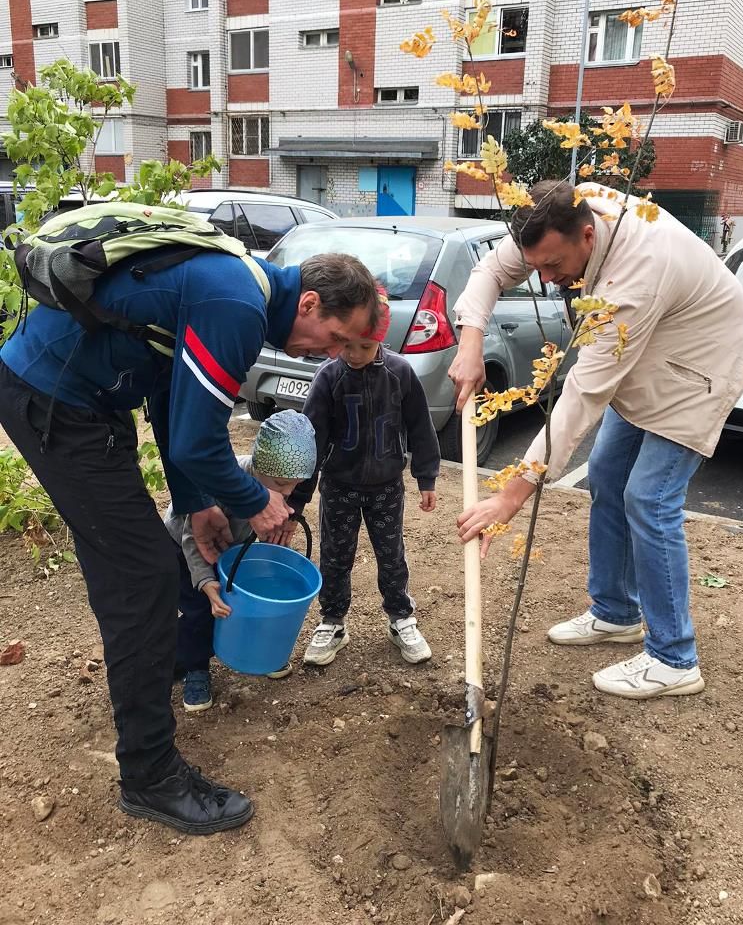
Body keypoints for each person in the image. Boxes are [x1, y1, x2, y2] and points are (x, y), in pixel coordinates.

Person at [0, 247, 380, 833]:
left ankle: (143, 703)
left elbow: (170, 398)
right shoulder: (237, 306)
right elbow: (197, 444)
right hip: (55, 398)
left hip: (86, 401)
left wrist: (198, 502)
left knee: (131, 568)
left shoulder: (238, 288)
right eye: (334, 337)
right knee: (145, 577)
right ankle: (149, 776)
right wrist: (259, 502)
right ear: (308, 302)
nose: (331, 355)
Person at [450, 180, 743, 700]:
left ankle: (674, 657)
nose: (546, 280)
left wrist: (511, 494)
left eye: (553, 266)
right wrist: (472, 339)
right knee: (608, 478)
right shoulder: (562, 211)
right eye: (538, 265)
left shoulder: (635, 275)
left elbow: (583, 395)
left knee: (649, 498)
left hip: (700, 365)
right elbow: (494, 269)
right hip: (650, 355)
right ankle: (615, 612)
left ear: (587, 237)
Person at [295, 288, 440, 667]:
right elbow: (311, 439)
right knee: (335, 557)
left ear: (380, 338)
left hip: (386, 488)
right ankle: (333, 622)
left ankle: (400, 618)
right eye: (347, 346)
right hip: (340, 486)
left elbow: (421, 428)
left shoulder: (401, 373)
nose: (354, 355)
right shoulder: (328, 378)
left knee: (391, 556)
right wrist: (299, 497)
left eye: (364, 346)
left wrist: (426, 477)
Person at [166, 409, 317, 711]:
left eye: (295, 486)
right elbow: (191, 538)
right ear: (258, 465)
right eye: (280, 484)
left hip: (231, 549)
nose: (286, 492)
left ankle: (262, 652)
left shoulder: (277, 486)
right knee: (201, 611)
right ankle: (193, 668)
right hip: (185, 550)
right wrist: (207, 581)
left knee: (248, 600)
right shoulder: (223, 482)